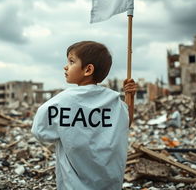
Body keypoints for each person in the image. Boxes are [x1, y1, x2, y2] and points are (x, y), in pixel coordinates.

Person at [31, 41, 136, 190]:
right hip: (109, 183)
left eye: (71, 61)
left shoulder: (62, 101)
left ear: (88, 69)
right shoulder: (113, 100)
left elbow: (39, 132)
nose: (65, 66)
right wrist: (129, 96)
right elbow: (125, 123)